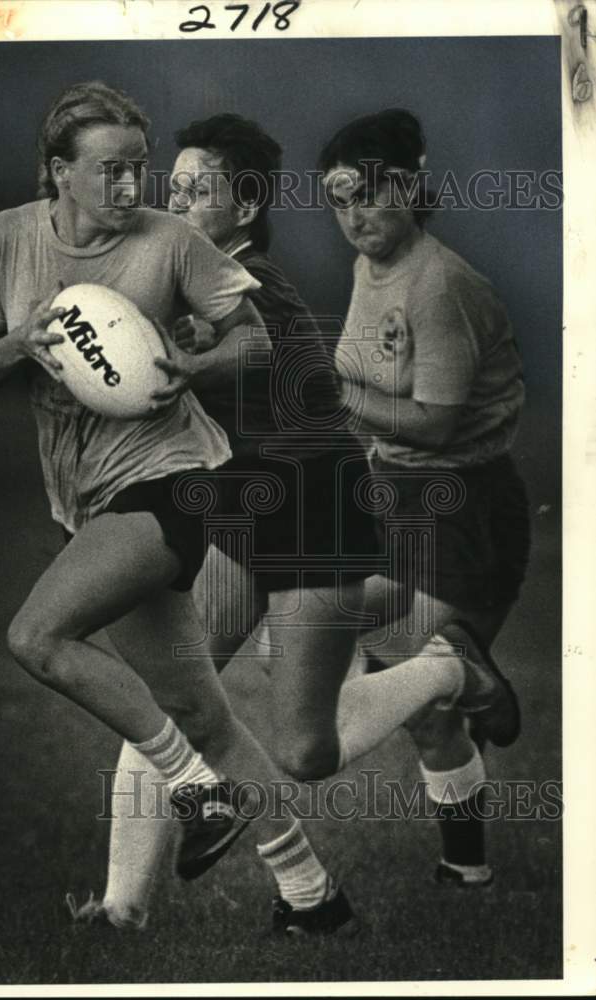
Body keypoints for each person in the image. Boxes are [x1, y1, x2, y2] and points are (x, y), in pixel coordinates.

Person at [76, 112, 519, 933]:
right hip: (241, 512)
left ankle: (446, 669)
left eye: (197, 190)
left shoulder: (254, 290)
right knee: (172, 690)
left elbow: (253, 362)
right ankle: (122, 907)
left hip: (316, 518)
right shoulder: (184, 278)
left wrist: (180, 360)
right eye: (174, 189)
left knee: (305, 752)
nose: (176, 203)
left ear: (244, 208)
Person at [322, 108, 529, 887]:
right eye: (340, 200)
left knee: (396, 687)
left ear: (409, 189)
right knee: (418, 708)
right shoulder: (367, 269)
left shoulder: (439, 284)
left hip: (461, 507)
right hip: (394, 497)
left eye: (370, 195)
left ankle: (460, 672)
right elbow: (364, 392)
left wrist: (334, 397)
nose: (355, 216)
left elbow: (436, 424)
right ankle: (465, 871)